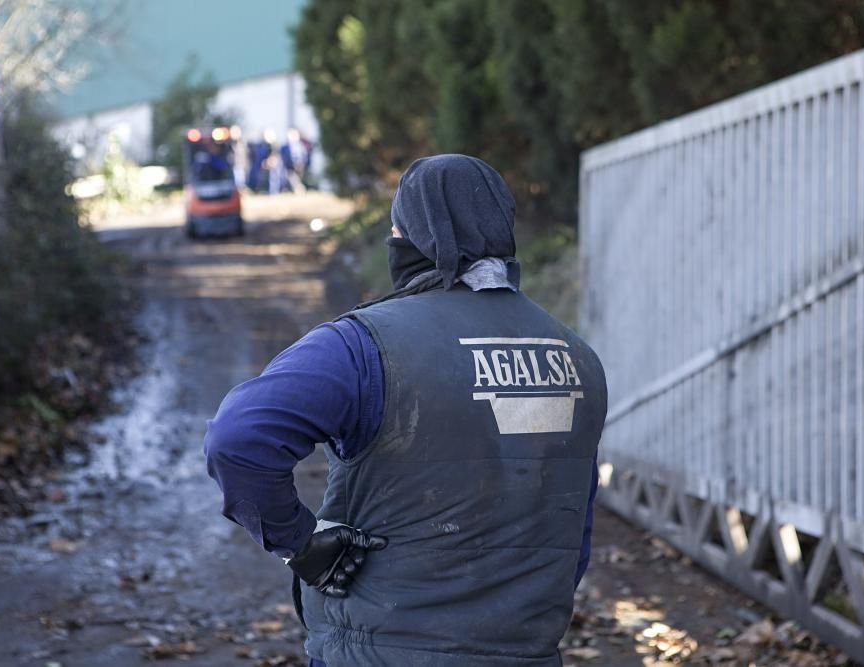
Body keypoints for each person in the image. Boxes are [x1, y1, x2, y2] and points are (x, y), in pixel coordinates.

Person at [204, 154, 607, 667]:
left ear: (412, 235)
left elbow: (238, 438)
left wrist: (299, 543)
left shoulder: (364, 346)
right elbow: (574, 529)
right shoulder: (578, 359)